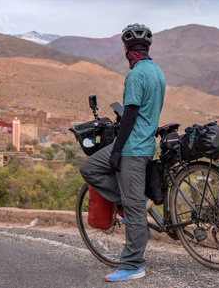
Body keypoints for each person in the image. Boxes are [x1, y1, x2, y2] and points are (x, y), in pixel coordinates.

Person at [79, 23, 166, 282]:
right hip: (144, 144)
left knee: (133, 206)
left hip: (132, 148)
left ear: (127, 49)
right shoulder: (157, 72)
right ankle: (137, 201)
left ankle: (132, 266)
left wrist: (116, 150)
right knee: (90, 168)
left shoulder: (136, 74)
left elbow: (129, 115)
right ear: (148, 48)